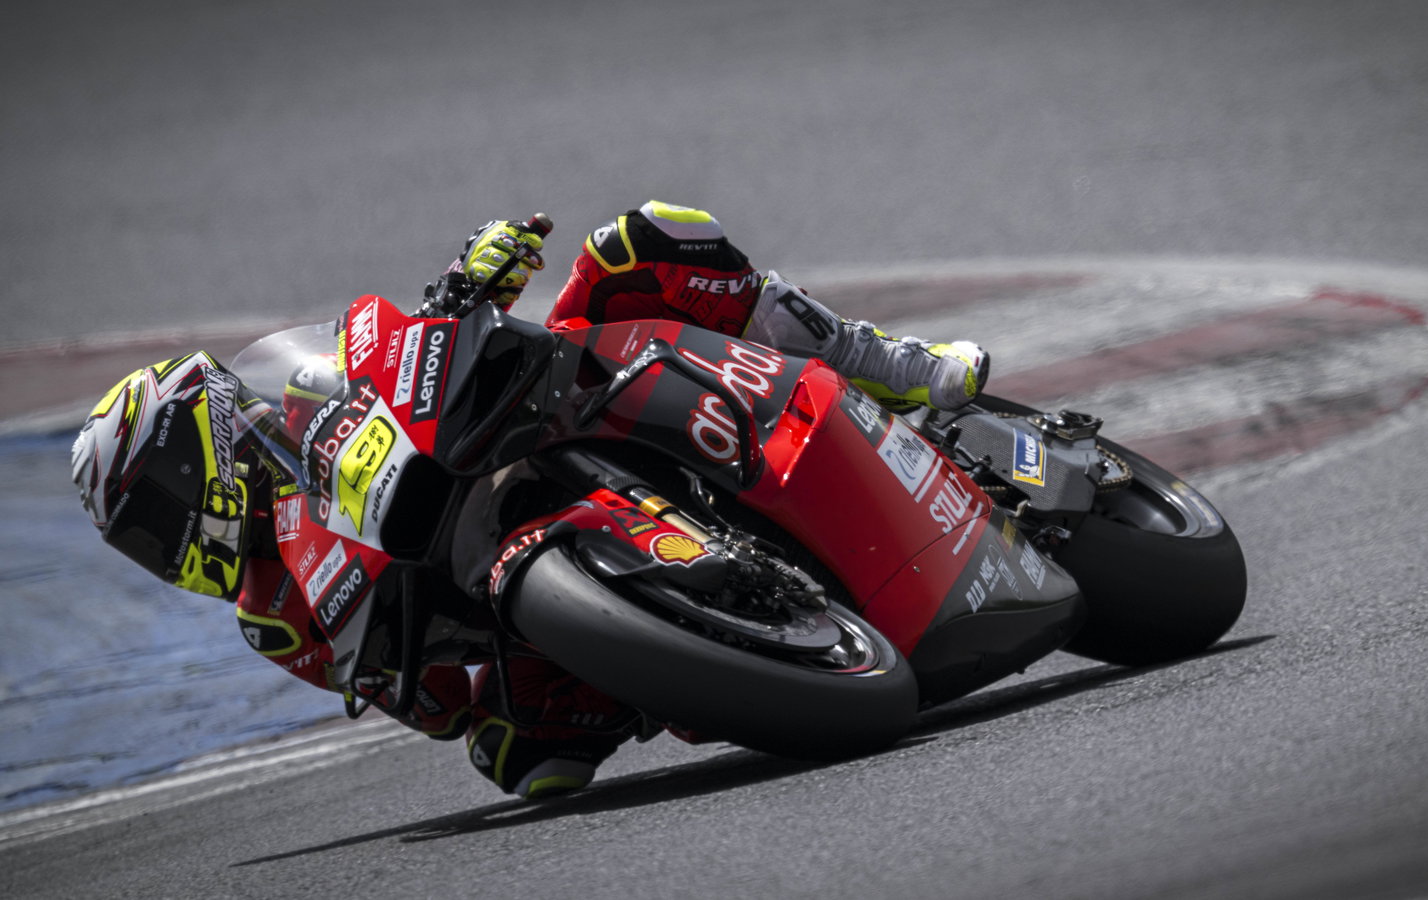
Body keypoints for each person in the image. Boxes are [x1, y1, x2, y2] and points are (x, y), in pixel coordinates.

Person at [70, 202, 990, 801]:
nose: (168, 545)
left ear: (205, 439)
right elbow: (431, 706)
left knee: (642, 242)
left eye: (159, 508)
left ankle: (880, 367)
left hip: (530, 427)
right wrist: (441, 691)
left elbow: (388, 351)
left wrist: (464, 292)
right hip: (509, 613)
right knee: (518, 759)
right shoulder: (272, 615)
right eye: (144, 543)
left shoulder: (312, 390)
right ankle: (724, 629)